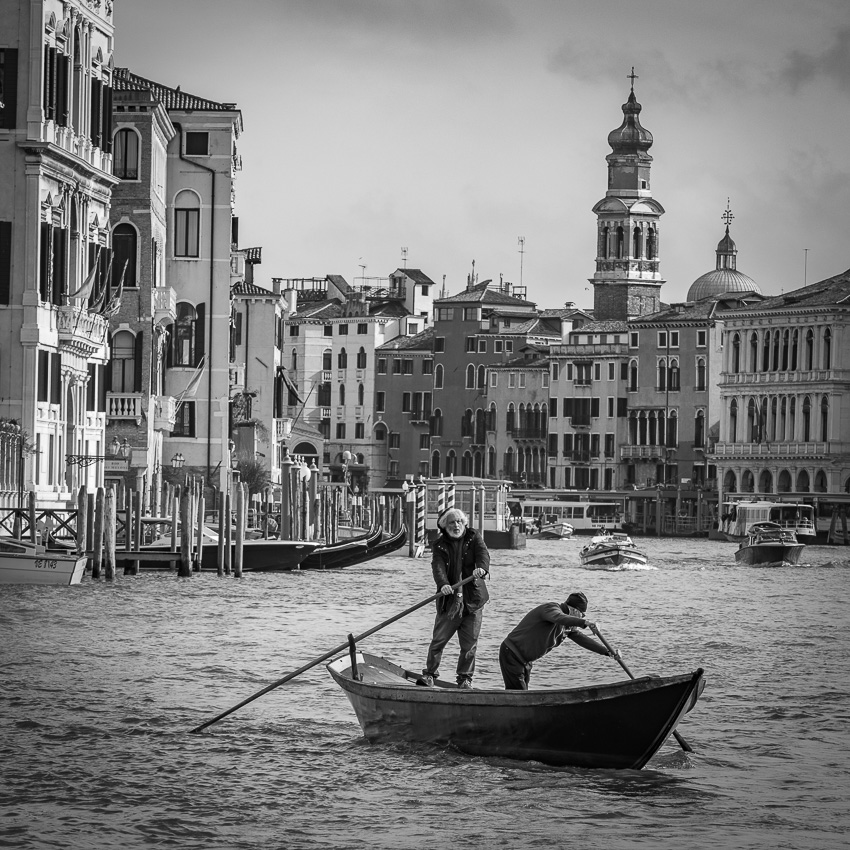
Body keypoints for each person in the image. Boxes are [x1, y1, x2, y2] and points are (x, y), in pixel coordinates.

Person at [421, 508, 490, 689]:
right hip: (449, 600)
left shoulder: (474, 537)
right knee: (438, 641)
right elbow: (438, 567)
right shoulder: (439, 545)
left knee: (469, 645)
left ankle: (464, 679)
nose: (456, 525)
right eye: (452, 522)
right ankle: (429, 675)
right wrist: (443, 583)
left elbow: (483, 554)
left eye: (459, 521)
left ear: (464, 522)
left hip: (473, 600)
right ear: (445, 525)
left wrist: (482, 568)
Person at [498, 591, 618, 690]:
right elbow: (558, 618)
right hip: (512, 653)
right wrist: (584, 623)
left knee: (523, 695)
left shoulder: (569, 626)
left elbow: (583, 640)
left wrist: (607, 651)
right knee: (520, 697)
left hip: (525, 660)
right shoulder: (551, 608)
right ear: (574, 610)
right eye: (582, 614)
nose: (582, 617)